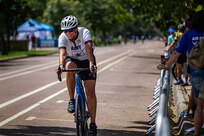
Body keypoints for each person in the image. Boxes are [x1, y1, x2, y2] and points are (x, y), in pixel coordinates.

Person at [157, 10, 204, 136]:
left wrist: (165, 65)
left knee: (200, 106)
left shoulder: (188, 35)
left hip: (197, 71)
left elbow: (177, 53)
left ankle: (197, 133)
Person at [57, 15, 97, 135]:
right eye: (65, 31)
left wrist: (91, 63)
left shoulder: (84, 32)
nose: (67, 33)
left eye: (70, 30)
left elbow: (88, 48)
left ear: (75, 29)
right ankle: (71, 100)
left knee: (90, 91)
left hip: (87, 59)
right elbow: (63, 54)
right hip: (72, 59)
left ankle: (93, 124)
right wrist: (60, 66)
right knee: (69, 68)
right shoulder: (62, 37)